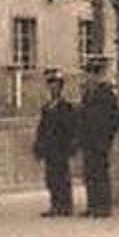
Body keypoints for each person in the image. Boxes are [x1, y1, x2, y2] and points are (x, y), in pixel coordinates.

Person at [78, 55, 119, 217]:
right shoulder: (87, 94)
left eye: (92, 73)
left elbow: (116, 118)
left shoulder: (106, 93)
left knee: (100, 173)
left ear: (99, 75)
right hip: (88, 140)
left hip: (100, 141)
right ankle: (92, 205)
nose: (89, 76)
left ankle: (103, 207)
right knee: (90, 173)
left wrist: (107, 137)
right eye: (88, 73)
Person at [33, 69, 77, 217]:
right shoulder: (46, 107)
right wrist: (38, 146)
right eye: (51, 85)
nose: (53, 88)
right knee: (51, 177)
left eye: (56, 85)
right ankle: (55, 204)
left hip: (61, 147)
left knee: (62, 176)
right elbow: (42, 128)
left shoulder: (66, 107)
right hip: (49, 148)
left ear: (61, 88)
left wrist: (71, 145)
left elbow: (71, 128)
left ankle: (66, 205)